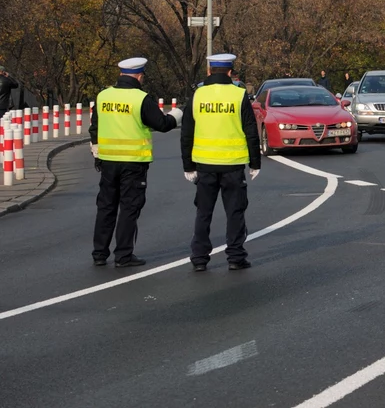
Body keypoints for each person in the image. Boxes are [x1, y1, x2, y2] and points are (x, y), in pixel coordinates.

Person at [88, 57, 183, 267]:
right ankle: (123, 255)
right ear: (140, 75)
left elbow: (94, 127)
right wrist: (176, 115)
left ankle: (99, 254)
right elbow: (162, 124)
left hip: (108, 161)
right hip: (133, 162)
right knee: (129, 208)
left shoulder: (103, 96)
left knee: (106, 206)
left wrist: (96, 150)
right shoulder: (141, 98)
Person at [181, 54, 261, 272]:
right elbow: (250, 130)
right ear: (230, 72)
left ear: (209, 71)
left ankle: (199, 258)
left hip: (204, 165)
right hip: (232, 165)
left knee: (203, 213)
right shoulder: (238, 94)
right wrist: (255, 163)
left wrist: (188, 165)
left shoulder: (198, 95)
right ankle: (235, 257)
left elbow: (187, 132)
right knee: (235, 212)